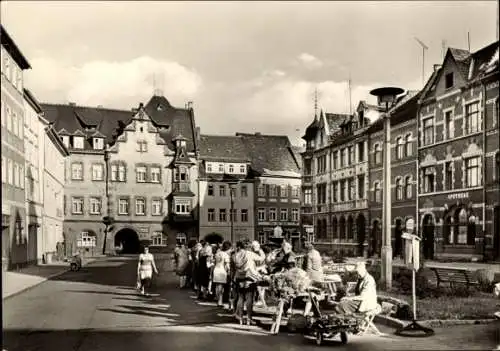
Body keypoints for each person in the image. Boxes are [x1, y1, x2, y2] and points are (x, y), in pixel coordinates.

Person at [302, 241, 324, 316]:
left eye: (306, 245)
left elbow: (308, 268)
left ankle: (305, 313)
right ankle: (316, 313)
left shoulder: (309, 255)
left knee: (310, 296)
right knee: (315, 296)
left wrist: (305, 278)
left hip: (312, 277)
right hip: (319, 276)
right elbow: (320, 265)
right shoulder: (317, 253)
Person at [213, 241, 231, 307]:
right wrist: (228, 270)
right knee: (221, 287)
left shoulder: (217, 253)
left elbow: (214, 262)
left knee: (217, 286)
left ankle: (218, 299)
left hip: (216, 270)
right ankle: (220, 302)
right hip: (222, 271)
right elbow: (226, 264)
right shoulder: (225, 254)